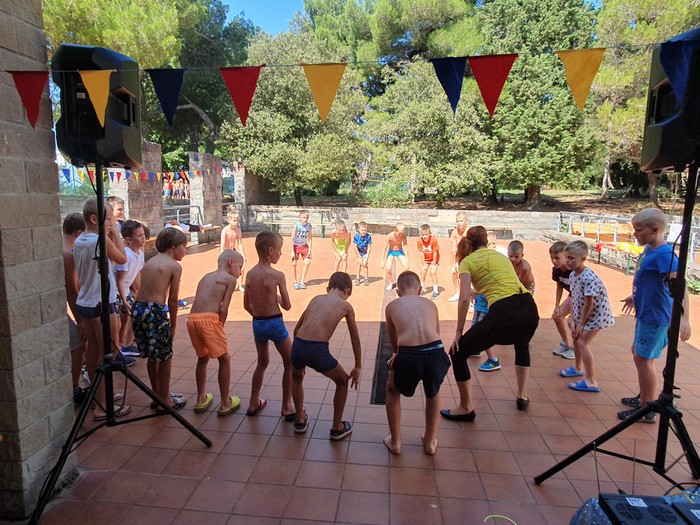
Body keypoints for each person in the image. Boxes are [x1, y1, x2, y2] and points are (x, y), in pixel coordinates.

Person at [441, 226, 539, 420]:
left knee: (458, 353)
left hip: (504, 313)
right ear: (486, 242)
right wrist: (477, 291)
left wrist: (459, 332)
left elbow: (463, 298)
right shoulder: (500, 257)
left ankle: (466, 407)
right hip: (529, 309)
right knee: (522, 345)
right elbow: (502, 283)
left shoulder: (467, 262)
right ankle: (522, 395)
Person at [619, 208, 692, 423]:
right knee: (638, 352)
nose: (635, 234)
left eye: (639, 230)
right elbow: (649, 280)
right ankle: (645, 395)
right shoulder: (650, 249)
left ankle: (647, 407)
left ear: (655, 230)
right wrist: (635, 297)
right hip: (645, 312)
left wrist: (685, 318)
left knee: (643, 359)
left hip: (656, 317)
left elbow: (681, 287)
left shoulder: (665, 256)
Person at [74, 199, 131, 420]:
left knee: (94, 353)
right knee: (109, 352)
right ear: (94, 219)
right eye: (108, 219)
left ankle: (100, 395)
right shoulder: (100, 240)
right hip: (100, 304)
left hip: (86, 302)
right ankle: (103, 407)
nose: (111, 223)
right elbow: (123, 259)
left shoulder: (80, 240)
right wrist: (114, 233)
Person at [384, 271, 451, 455]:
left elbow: (395, 343)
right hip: (436, 353)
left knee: (392, 389)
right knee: (433, 393)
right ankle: (430, 442)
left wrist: (395, 362)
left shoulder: (392, 306)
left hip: (409, 354)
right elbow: (437, 333)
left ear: (398, 292)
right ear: (420, 290)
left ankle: (395, 441)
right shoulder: (431, 304)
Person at [290, 272, 361, 440]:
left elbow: (297, 329)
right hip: (317, 350)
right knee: (342, 380)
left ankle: (300, 420)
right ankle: (337, 427)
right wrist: (358, 365)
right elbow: (355, 338)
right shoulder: (346, 306)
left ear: (328, 288)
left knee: (297, 377)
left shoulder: (315, 299)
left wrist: (300, 356)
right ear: (347, 291)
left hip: (298, 345)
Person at [132, 227, 188, 410]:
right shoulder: (174, 266)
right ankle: (166, 401)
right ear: (173, 246)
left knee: (152, 355)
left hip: (138, 309)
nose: (185, 250)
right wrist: (173, 325)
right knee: (165, 357)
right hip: (154, 311)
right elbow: (173, 299)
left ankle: (157, 396)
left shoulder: (150, 261)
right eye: (183, 246)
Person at [243, 231, 295, 419]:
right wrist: (276, 297)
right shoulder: (277, 275)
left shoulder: (249, 274)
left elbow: (246, 305)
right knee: (290, 362)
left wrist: (259, 317)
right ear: (270, 251)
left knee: (262, 362)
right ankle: (286, 406)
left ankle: (253, 402)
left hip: (258, 323)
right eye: (279, 250)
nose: (281, 254)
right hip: (275, 322)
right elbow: (287, 306)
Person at [187, 250, 244, 416]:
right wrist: (220, 326)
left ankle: (200, 399)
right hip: (209, 320)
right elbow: (223, 309)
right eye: (240, 267)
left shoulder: (205, 277)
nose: (240, 272)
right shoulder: (230, 280)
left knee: (202, 357)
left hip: (192, 320)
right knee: (224, 359)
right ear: (231, 262)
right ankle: (225, 402)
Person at [559, 240, 614, 393]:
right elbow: (574, 296)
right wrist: (572, 318)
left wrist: (581, 323)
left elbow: (589, 303)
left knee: (583, 342)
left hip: (596, 316)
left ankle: (591, 381)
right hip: (581, 314)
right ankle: (578, 368)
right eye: (566, 257)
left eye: (571, 258)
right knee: (576, 338)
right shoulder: (573, 275)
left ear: (583, 259)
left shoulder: (588, 278)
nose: (567, 261)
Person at [62, 213, 88, 406]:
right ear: (79, 233)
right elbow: (72, 291)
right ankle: (74, 389)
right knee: (78, 343)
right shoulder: (68, 254)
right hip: (59, 311)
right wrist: (81, 322)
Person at [475, 230, 510, 372]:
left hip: (488, 305)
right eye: (489, 244)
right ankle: (476, 348)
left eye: (493, 244)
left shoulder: (498, 261)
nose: (491, 247)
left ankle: (493, 359)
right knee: (475, 328)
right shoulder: (482, 259)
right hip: (480, 303)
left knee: (482, 331)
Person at [116, 220, 146, 358]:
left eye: (143, 234)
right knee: (119, 321)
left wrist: (140, 290)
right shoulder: (126, 255)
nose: (143, 238)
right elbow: (119, 280)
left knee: (131, 316)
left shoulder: (140, 254)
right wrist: (124, 299)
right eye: (139, 235)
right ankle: (119, 346)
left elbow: (137, 273)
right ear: (129, 239)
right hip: (118, 292)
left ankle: (124, 344)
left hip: (126, 291)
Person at [549, 241, 575, 360]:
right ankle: (566, 344)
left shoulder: (573, 271)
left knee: (573, 322)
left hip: (583, 298)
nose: (554, 261)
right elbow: (559, 287)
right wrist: (556, 306)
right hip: (572, 296)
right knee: (557, 316)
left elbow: (579, 293)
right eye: (552, 258)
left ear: (565, 256)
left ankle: (576, 349)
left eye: (557, 258)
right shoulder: (556, 270)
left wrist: (574, 314)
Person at [221, 207, 246, 291]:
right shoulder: (225, 230)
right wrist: (221, 255)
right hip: (226, 252)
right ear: (228, 220)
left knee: (242, 267)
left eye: (237, 221)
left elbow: (240, 243)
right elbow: (222, 244)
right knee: (226, 270)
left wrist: (243, 255)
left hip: (233, 251)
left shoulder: (238, 230)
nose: (236, 222)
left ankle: (240, 285)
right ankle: (225, 286)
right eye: (234, 221)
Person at [381, 222, 409, 291]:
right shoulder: (390, 236)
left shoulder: (403, 236)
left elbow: (405, 246)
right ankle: (390, 283)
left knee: (406, 268)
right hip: (391, 252)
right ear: (395, 230)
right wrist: (382, 260)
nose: (400, 235)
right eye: (399, 234)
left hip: (400, 251)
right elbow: (385, 248)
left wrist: (407, 258)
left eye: (402, 233)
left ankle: (402, 282)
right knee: (388, 269)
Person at [448, 212, 468, 302]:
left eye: (461, 221)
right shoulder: (454, 232)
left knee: (465, 276)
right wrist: (453, 263)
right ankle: (457, 292)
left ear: (466, 222)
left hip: (468, 256)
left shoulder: (469, 232)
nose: (459, 223)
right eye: (457, 221)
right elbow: (453, 248)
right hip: (459, 256)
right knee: (454, 273)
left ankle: (469, 295)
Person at [417, 224, 441, 299]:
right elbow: (421, 252)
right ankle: (422, 289)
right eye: (423, 235)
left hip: (434, 259)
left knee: (432, 272)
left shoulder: (433, 240)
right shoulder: (419, 241)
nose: (425, 237)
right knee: (423, 272)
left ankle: (436, 291)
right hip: (426, 259)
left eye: (426, 234)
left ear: (430, 233)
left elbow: (435, 253)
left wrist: (433, 264)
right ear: (420, 235)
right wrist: (423, 263)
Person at [290, 210, 312, 290]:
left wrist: (310, 250)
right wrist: (292, 251)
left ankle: (302, 281)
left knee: (307, 262)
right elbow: (292, 238)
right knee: (294, 263)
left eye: (307, 218)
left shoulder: (309, 226)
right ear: (300, 218)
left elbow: (310, 238)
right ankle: (295, 281)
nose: (305, 219)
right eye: (304, 218)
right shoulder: (297, 225)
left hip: (304, 246)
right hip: (296, 246)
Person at [352, 221, 372, 286]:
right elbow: (355, 247)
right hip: (359, 252)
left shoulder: (368, 237)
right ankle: (357, 278)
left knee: (365, 264)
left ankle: (366, 278)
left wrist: (367, 257)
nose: (363, 232)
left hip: (365, 252)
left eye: (365, 230)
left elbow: (369, 247)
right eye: (362, 230)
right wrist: (359, 257)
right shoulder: (356, 236)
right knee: (359, 264)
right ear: (358, 230)